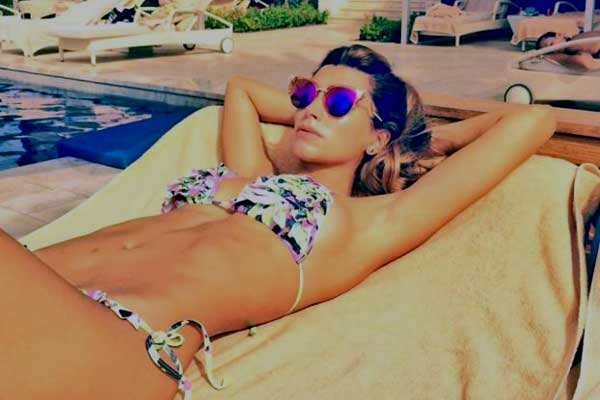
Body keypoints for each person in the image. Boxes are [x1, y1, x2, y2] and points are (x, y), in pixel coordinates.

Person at [0, 44, 556, 400]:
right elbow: (240, 89)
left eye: (339, 102)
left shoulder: (366, 223)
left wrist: (421, 141)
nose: (310, 108)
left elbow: (534, 119)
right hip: (47, 288)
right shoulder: (249, 175)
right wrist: (327, 108)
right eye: (306, 93)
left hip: (115, 338)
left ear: (377, 136)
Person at [536, 31, 600, 71]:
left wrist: (560, 58)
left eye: (551, 44)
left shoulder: (572, 44)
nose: (553, 50)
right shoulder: (573, 45)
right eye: (550, 52)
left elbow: (586, 63)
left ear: (559, 35)